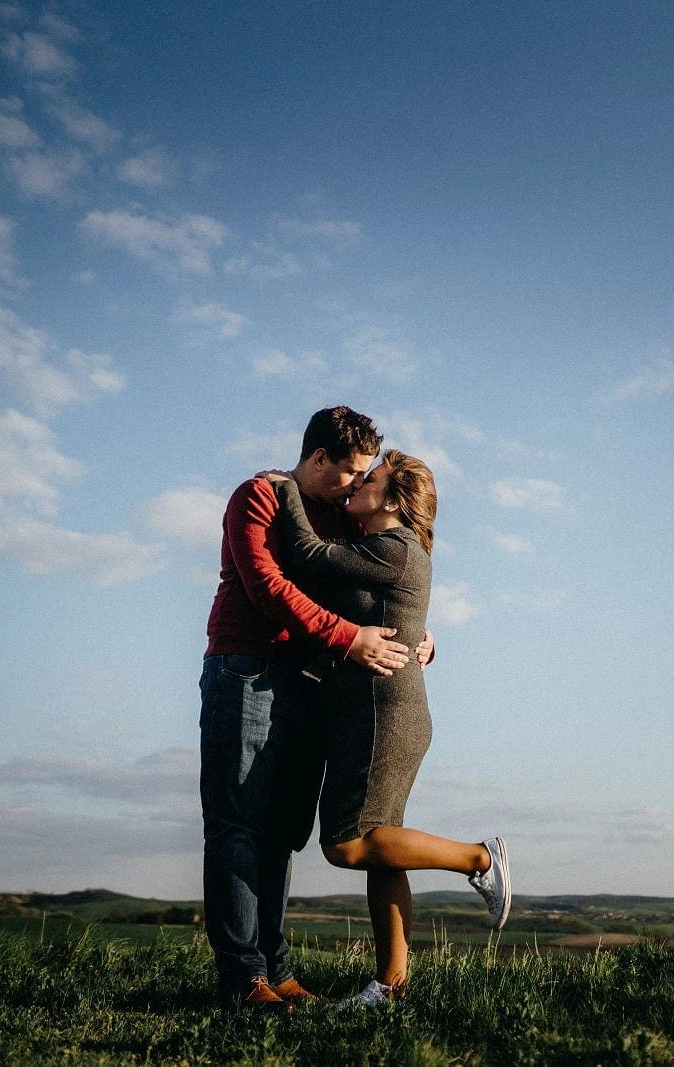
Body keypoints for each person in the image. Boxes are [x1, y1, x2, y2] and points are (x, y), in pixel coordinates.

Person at [200, 406, 429, 1013]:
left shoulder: (343, 517)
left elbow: (380, 582)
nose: (360, 483)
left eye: (366, 476)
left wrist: (419, 637)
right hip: (247, 669)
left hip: (311, 685)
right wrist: (348, 638)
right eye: (352, 471)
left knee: (282, 833)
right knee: (238, 825)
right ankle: (243, 980)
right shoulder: (261, 495)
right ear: (320, 458)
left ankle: (277, 972)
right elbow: (266, 585)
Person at [268, 449, 510, 1008]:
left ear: (394, 500)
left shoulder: (394, 549)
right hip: (376, 709)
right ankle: (390, 986)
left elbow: (307, 550)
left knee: (346, 845)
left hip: (383, 712)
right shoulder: (380, 551)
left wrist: (283, 485)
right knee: (383, 850)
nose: (356, 483)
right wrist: (426, 639)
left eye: (369, 478)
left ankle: (480, 858)